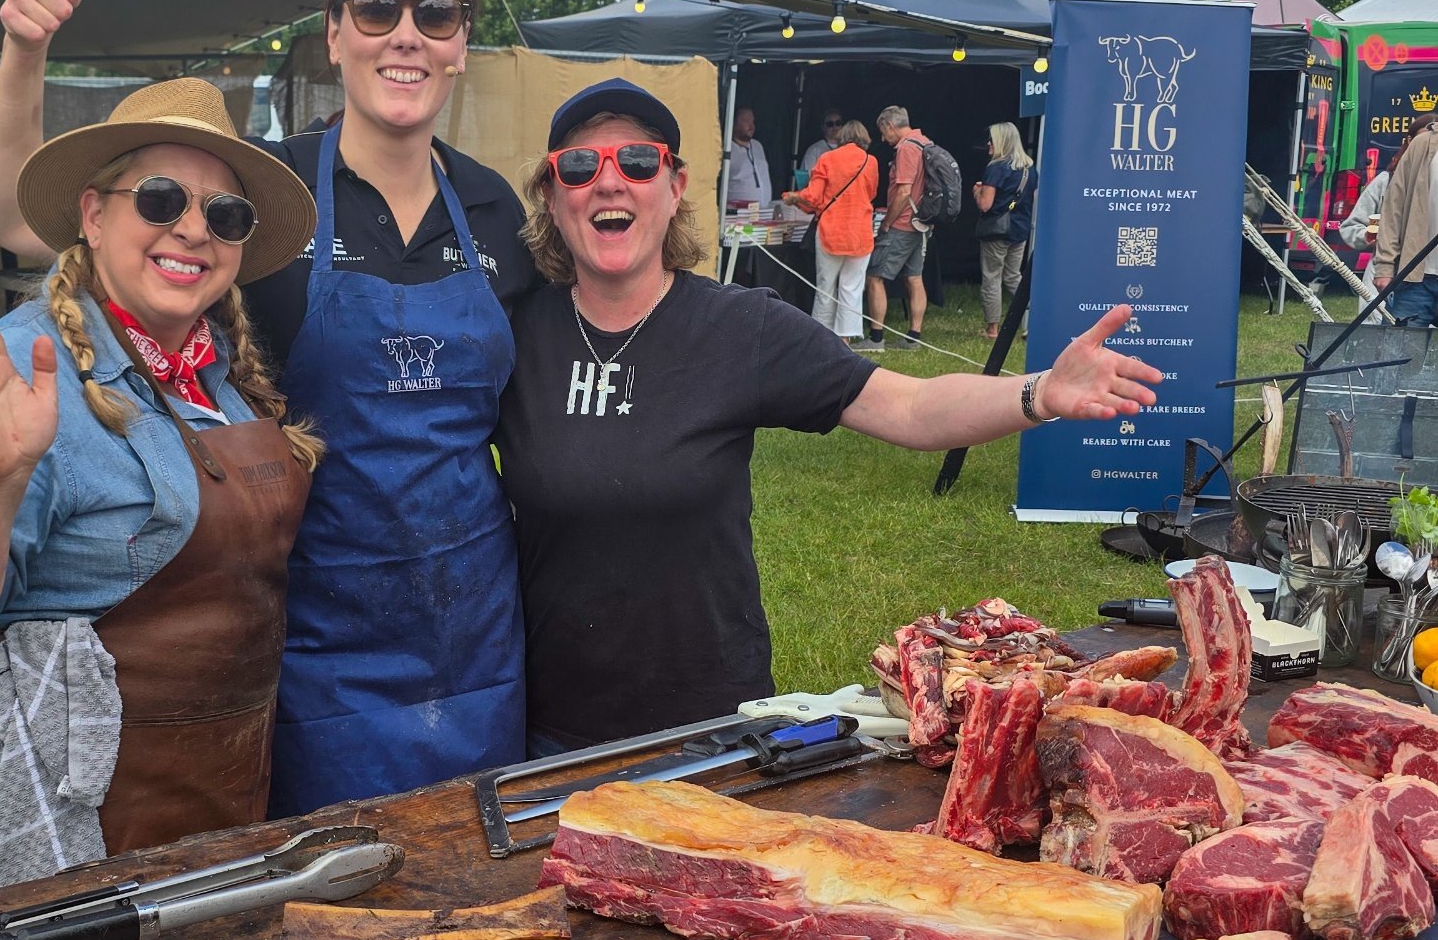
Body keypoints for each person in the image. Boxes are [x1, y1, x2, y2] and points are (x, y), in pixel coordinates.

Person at [0, 0, 539, 814]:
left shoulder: (493, 207)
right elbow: (4, 214)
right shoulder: (265, 199)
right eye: (378, 8)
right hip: (316, 634)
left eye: (436, 14)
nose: (406, 36)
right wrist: (25, 51)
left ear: (462, 42)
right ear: (335, 32)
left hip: (476, 631)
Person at [496, 79, 1160, 755]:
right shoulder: (507, 338)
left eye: (637, 162)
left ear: (673, 188)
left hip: (706, 724)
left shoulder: (738, 328)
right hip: (550, 723)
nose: (609, 182)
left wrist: (1037, 393)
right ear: (552, 197)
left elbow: (908, 404)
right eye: (580, 167)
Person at [0, 80, 321, 895]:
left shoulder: (220, 370)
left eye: (225, 215)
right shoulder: (12, 373)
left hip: (214, 785)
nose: (193, 228)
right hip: (51, 802)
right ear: (93, 213)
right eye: (160, 199)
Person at [787, 117, 877, 338]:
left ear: (842, 136)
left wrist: (793, 197)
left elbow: (814, 196)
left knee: (825, 289)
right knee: (852, 288)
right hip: (860, 233)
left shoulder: (827, 158)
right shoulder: (870, 161)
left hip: (831, 232)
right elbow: (872, 193)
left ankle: (822, 337)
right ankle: (845, 337)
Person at [863, 104, 929, 349]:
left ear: (890, 125)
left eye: (883, 131)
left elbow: (903, 191)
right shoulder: (924, 142)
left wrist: (887, 223)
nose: (883, 138)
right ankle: (914, 336)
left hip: (902, 224)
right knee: (914, 278)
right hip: (920, 223)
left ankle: (876, 338)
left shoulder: (906, 149)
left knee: (875, 277)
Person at [1367, 111, 1438, 323]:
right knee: (1395, 352)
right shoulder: (1422, 145)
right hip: (1415, 278)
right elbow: (1392, 210)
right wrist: (1385, 267)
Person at [972, 121, 1035, 339]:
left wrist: (977, 191)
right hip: (1020, 230)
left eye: (992, 139)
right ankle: (1033, 322)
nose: (988, 144)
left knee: (992, 277)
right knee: (1013, 276)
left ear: (1001, 142)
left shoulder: (996, 167)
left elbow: (985, 204)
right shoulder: (1029, 168)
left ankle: (992, 329)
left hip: (996, 231)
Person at [725, 105, 771, 209]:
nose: (752, 126)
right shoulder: (727, 149)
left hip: (763, 212)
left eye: (753, 121)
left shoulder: (757, 146)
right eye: (746, 121)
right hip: (737, 215)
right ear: (734, 123)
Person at [796, 109, 846, 189]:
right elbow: (805, 181)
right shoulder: (814, 150)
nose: (835, 127)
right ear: (823, 127)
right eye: (830, 124)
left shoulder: (848, 149)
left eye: (838, 123)